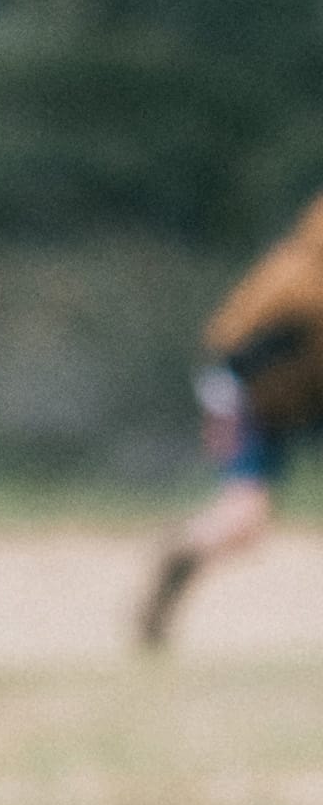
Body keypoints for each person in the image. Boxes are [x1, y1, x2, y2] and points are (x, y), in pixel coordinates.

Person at [138, 195, 323, 650]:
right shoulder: (299, 293)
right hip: (254, 402)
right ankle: (182, 555)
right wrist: (229, 422)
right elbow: (230, 363)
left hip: (312, 397)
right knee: (243, 523)